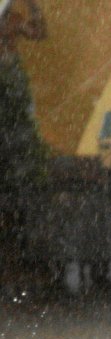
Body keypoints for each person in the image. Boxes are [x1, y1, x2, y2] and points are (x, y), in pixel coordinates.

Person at [0, 0, 46, 195]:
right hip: (9, 74)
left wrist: (32, 6)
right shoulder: (12, 19)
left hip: (12, 74)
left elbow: (39, 33)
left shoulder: (12, 19)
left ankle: (26, 171)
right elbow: (38, 33)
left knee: (22, 119)